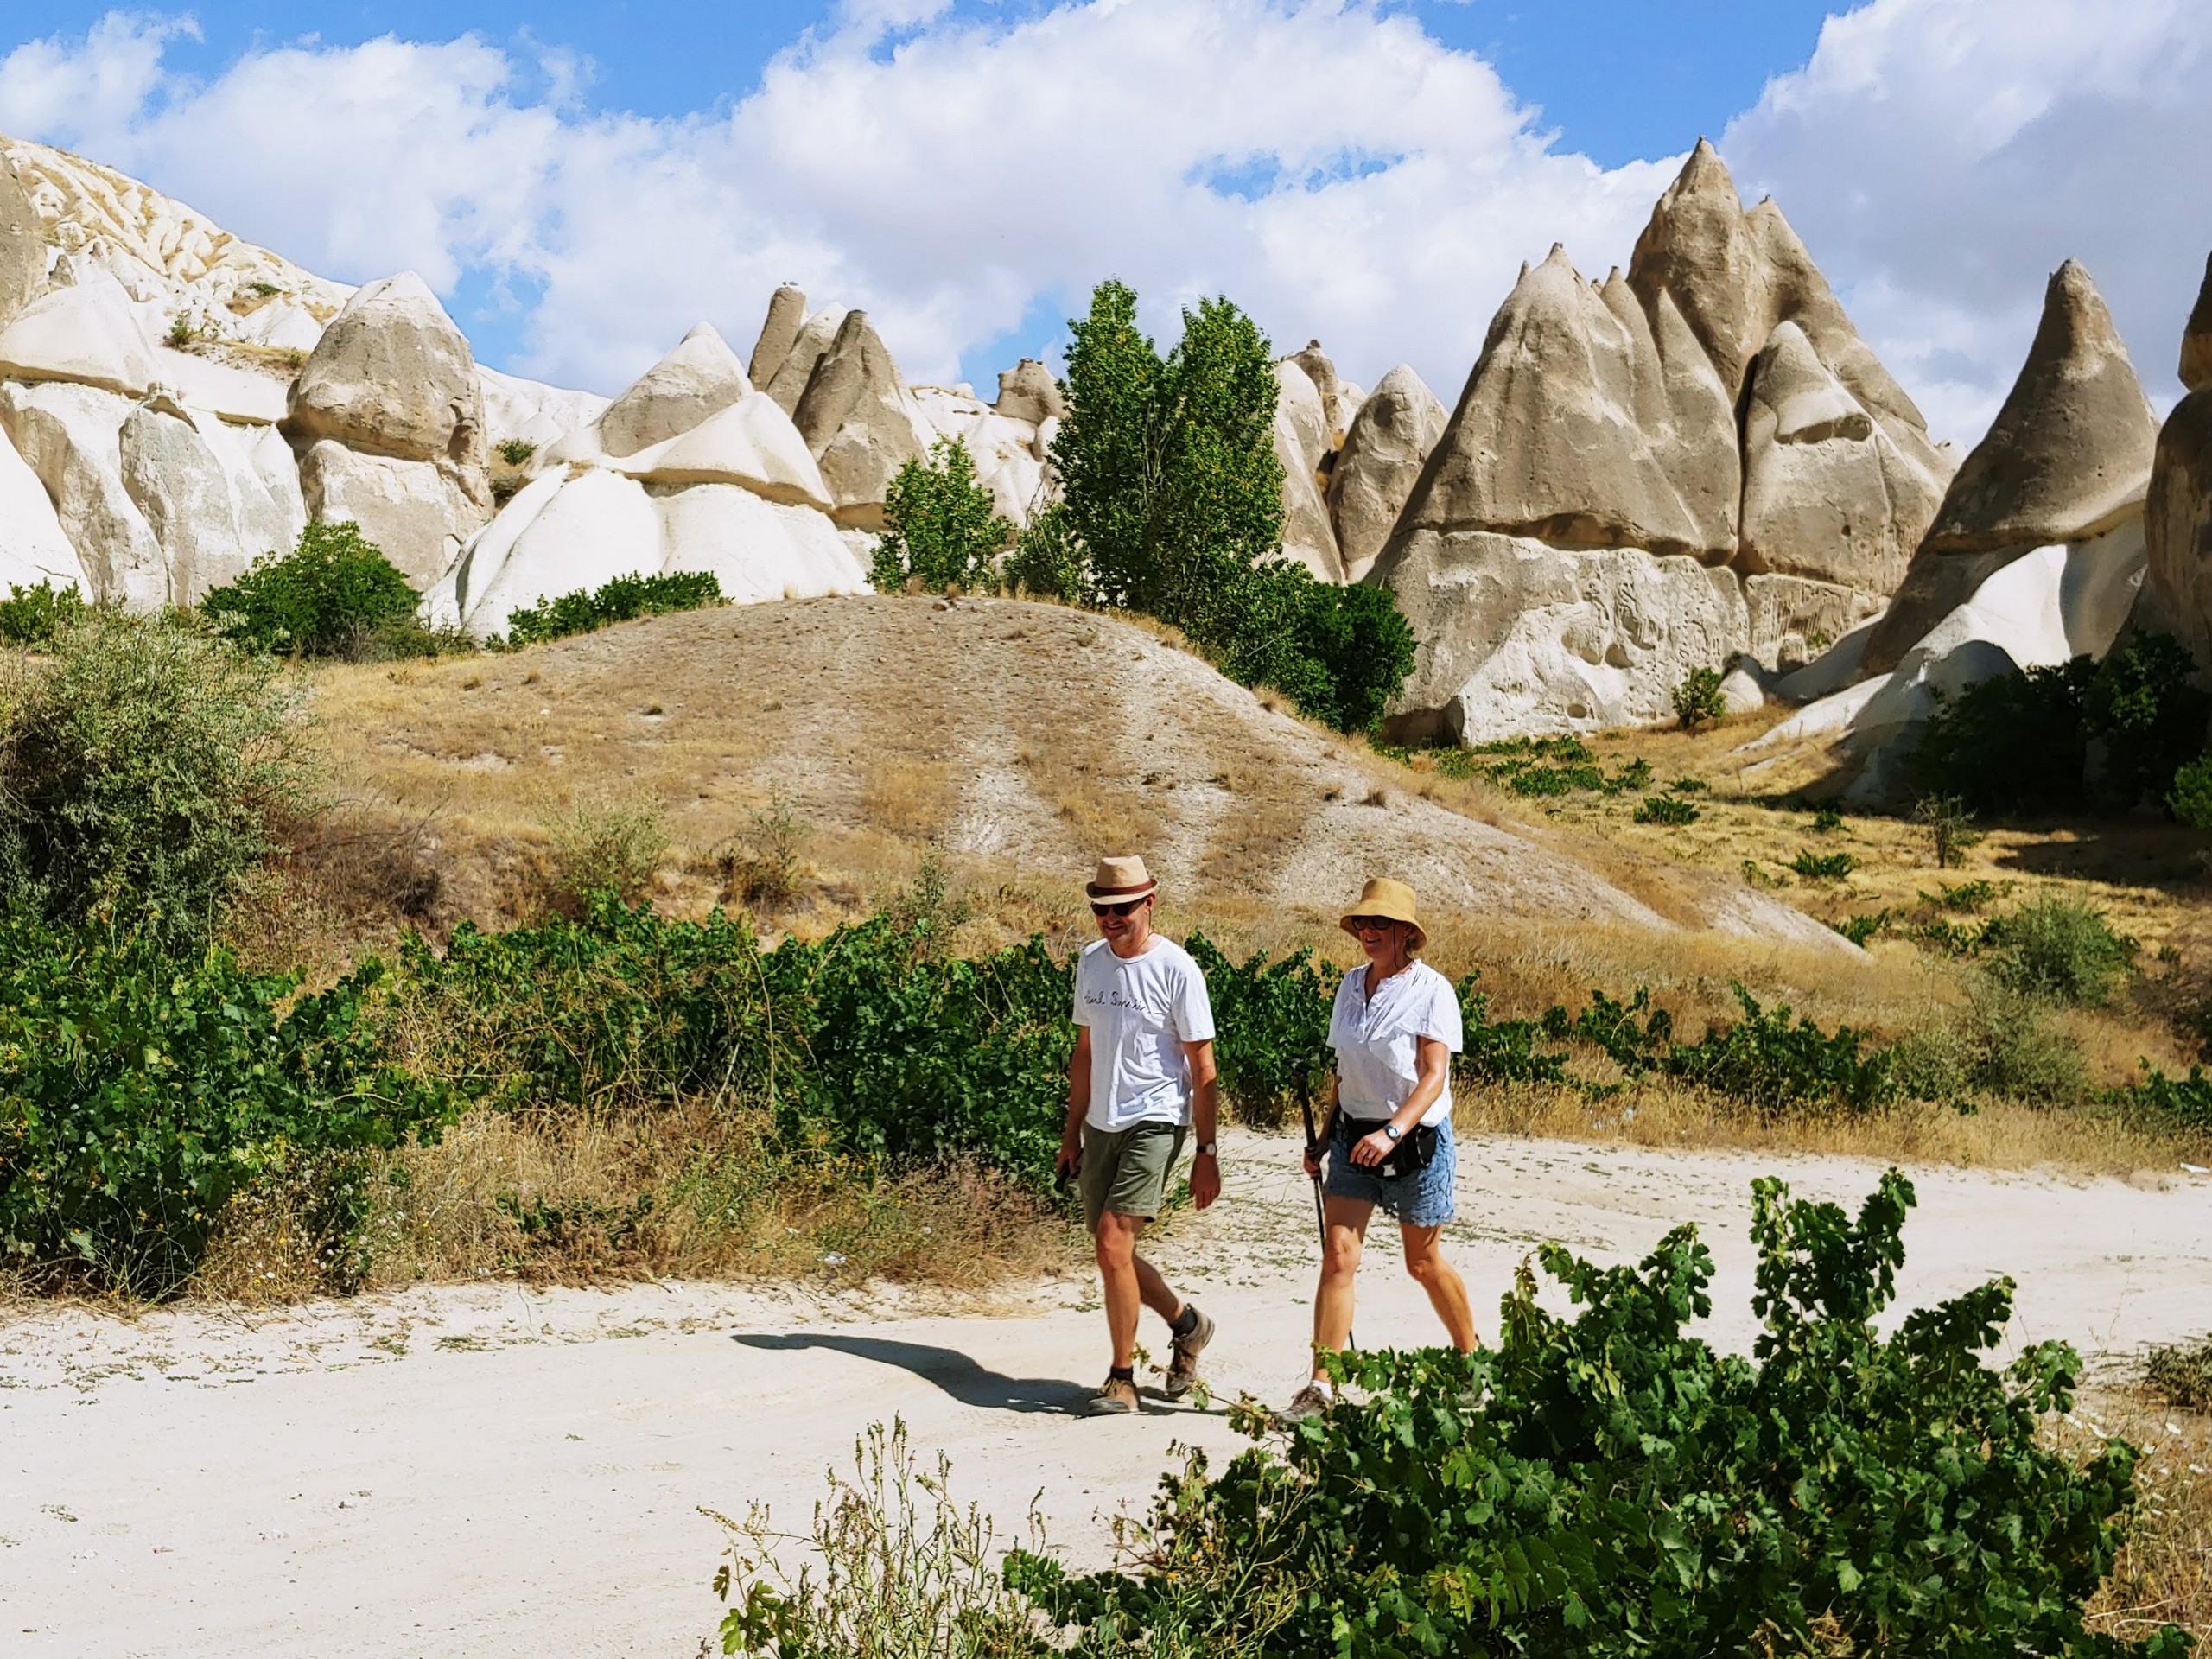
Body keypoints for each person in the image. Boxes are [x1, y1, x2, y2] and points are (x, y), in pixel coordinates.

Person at [1285, 877, 1477, 1421]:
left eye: (1381, 923)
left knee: (1422, 1261)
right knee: (1338, 1256)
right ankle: (1320, 1387)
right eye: (1363, 923)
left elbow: (1434, 1077)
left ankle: (1473, 1360)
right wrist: (1324, 1139)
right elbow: (1345, 1075)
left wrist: (1392, 1131)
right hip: (1353, 1137)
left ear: (1405, 933)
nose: (1368, 931)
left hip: (1415, 1141)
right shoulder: (1349, 986)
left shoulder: (1432, 990)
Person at [1055, 855, 1221, 1415]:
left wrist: (1206, 1151)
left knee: (1112, 1241)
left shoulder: (1178, 969)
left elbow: (1203, 1067)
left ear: (1149, 903)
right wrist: (1071, 1133)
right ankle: (1189, 1325)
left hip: (1157, 1119)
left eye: (1122, 907)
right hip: (1101, 1121)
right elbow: (1084, 1054)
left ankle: (1121, 1380)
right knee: (1113, 1255)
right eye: (1101, 907)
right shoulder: (1092, 963)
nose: (1110, 916)